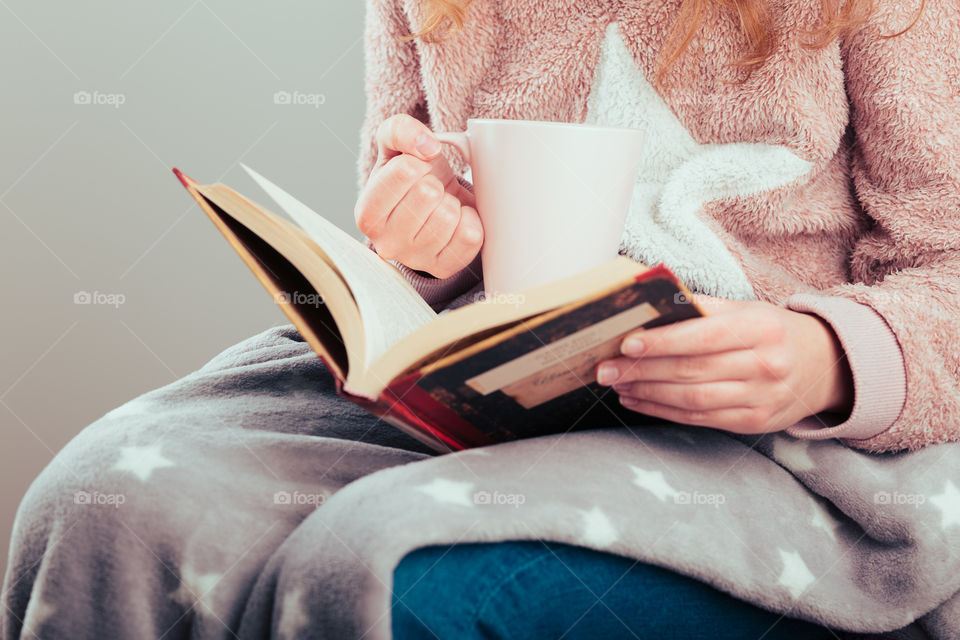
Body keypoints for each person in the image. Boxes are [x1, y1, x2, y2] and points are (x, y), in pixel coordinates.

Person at [4, 0, 958, 638]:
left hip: (762, 447)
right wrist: (422, 236)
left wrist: (825, 357)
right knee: (100, 502)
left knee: (373, 558)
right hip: (495, 398)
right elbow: (411, 207)